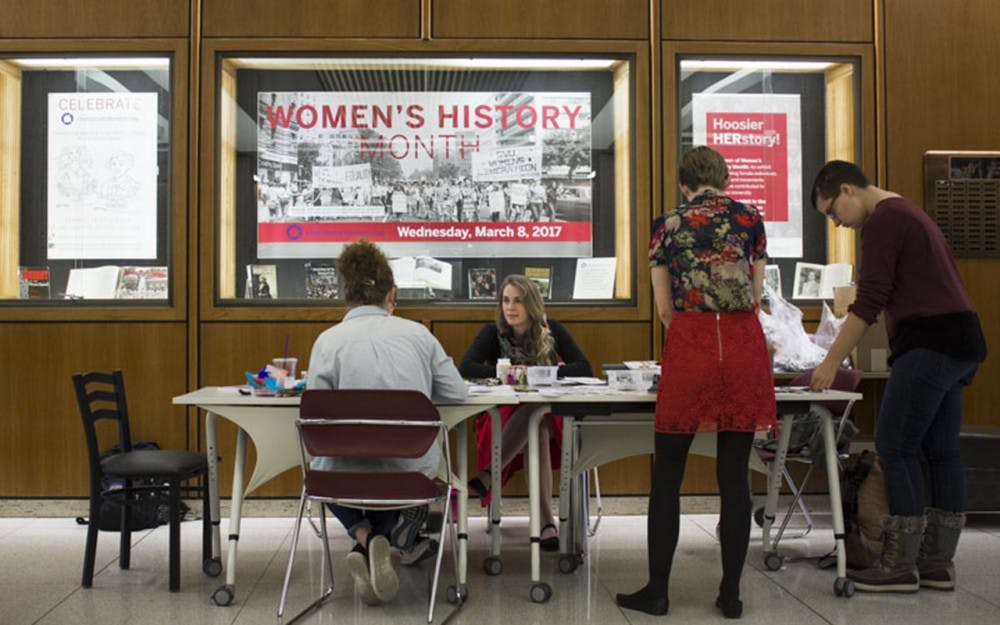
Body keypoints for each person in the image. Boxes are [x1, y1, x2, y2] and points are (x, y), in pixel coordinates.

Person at [808, 160, 987, 593]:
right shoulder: (907, 211)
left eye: (833, 212)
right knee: (941, 450)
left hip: (928, 342)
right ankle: (937, 562)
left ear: (847, 190)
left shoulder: (883, 221)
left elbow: (869, 302)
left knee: (895, 445)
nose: (836, 223)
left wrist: (830, 360)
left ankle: (900, 564)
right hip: (961, 339)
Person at [617, 146, 776, 618]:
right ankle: (730, 594)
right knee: (734, 477)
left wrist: (694, 332)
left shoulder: (667, 224)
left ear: (684, 184)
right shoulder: (751, 220)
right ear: (723, 180)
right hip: (744, 346)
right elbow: (757, 292)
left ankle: (658, 592)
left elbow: (665, 308)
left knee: (667, 475)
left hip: (692, 344)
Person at [306, 238, 468, 606]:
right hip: (408, 473)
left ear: (345, 294)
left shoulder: (327, 342)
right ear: (391, 294)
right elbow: (457, 392)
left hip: (341, 475)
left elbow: (315, 415)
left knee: (322, 472)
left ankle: (363, 537)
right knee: (403, 475)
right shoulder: (418, 335)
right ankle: (380, 540)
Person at [459, 274, 592, 550]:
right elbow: (467, 368)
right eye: (506, 300)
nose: (510, 307)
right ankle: (545, 523)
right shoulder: (492, 332)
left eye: (518, 301)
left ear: (531, 304)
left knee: (539, 417)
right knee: (538, 422)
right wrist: (504, 373)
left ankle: (490, 474)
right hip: (500, 415)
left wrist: (537, 373)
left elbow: (584, 368)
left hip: (548, 416)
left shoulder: (551, 329)